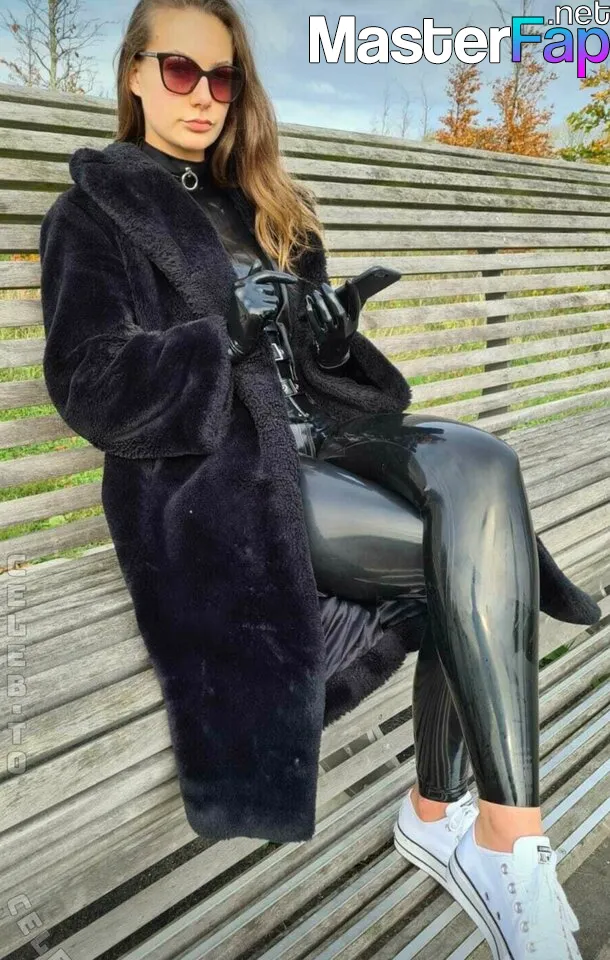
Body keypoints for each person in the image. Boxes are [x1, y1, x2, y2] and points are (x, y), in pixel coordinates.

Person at [38, 2, 601, 957]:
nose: (205, 96)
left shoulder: (261, 202)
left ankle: (464, 827)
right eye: (180, 71)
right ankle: (483, 834)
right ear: (133, 73)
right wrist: (223, 336)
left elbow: (319, 374)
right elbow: (89, 383)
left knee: (484, 462)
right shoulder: (93, 214)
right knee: (468, 562)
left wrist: (328, 333)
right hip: (222, 471)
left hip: (324, 442)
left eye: (224, 78)